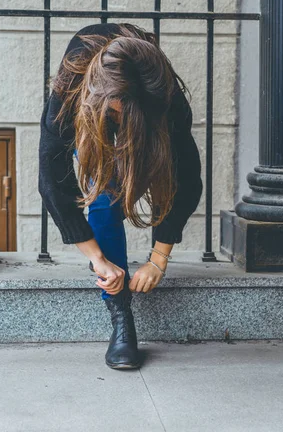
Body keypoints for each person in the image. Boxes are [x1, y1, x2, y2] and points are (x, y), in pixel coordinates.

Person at [38, 22, 202, 369]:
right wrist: (98, 259)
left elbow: (188, 180)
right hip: (93, 113)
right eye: (118, 113)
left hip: (149, 124)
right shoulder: (72, 87)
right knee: (104, 194)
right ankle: (121, 317)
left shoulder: (166, 98)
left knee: (143, 169)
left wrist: (159, 259)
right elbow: (52, 182)